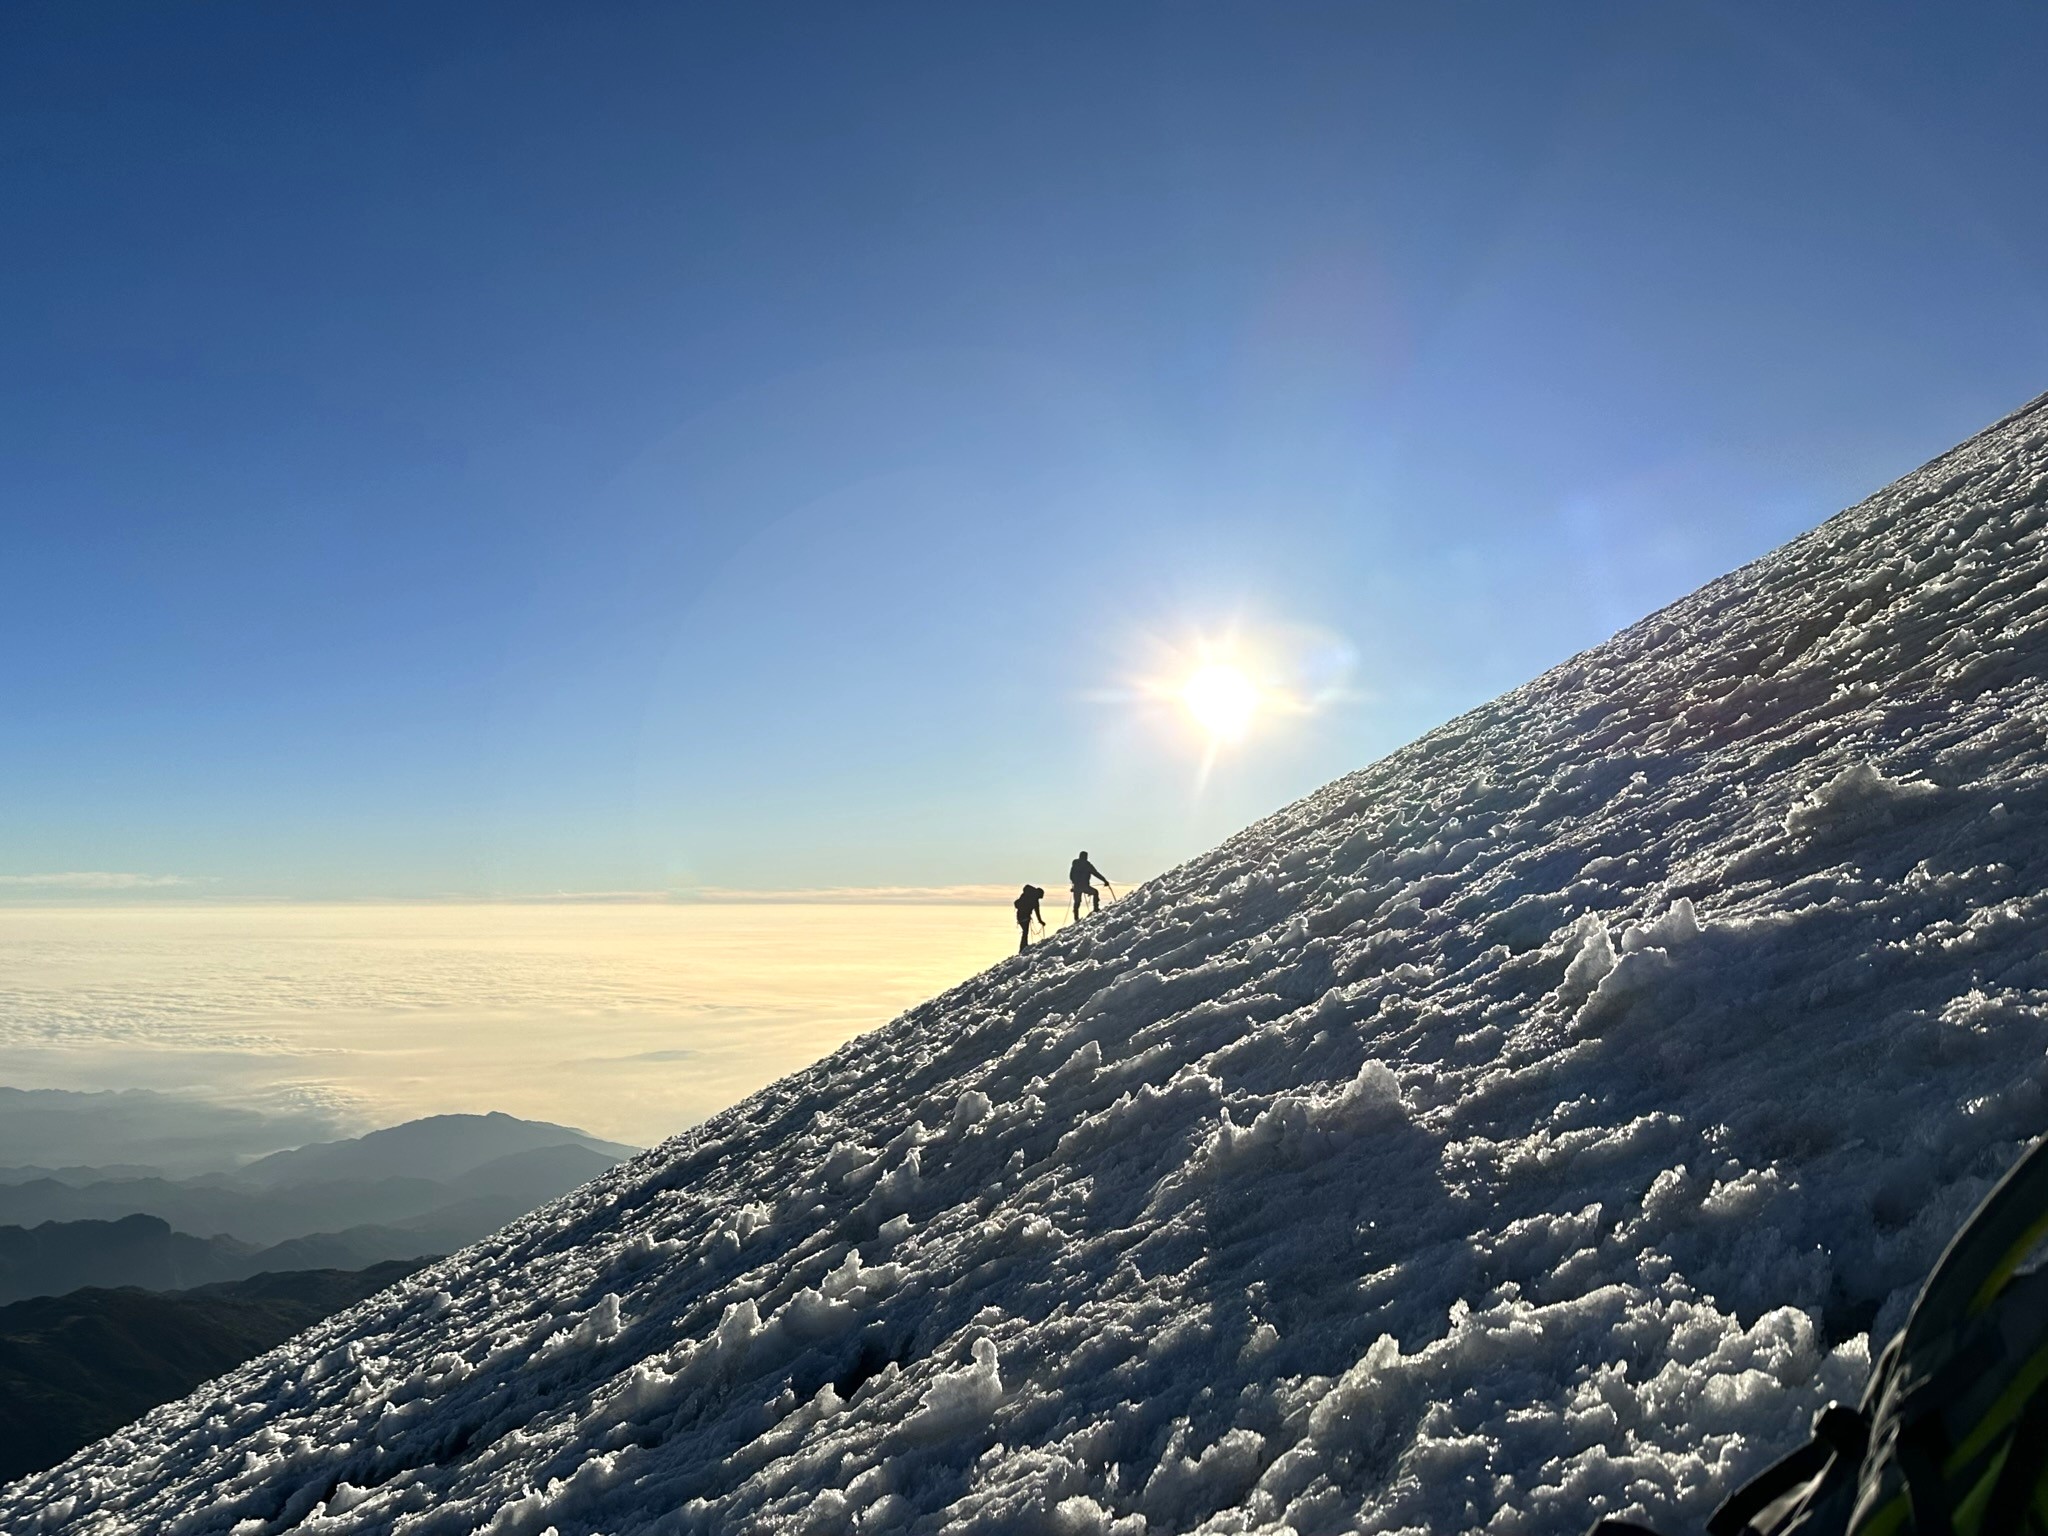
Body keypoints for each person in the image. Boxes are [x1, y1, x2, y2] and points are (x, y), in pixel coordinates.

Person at [1069, 851, 1113, 920]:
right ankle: (1096, 908)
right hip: (1085, 886)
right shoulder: (1087, 865)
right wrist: (1104, 881)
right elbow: (1096, 873)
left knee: (1077, 902)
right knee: (1095, 892)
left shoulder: (1075, 864)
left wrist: (1074, 884)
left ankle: (1076, 918)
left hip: (1076, 886)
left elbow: (1071, 876)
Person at [1013, 884, 1045, 953]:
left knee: (1025, 932)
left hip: (1019, 916)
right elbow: (1037, 912)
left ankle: (1023, 947)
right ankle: (1023, 948)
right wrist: (1041, 921)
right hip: (1025, 917)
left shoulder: (1027, 895)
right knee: (1025, 932)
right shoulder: (1034, 900)